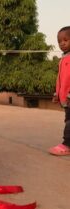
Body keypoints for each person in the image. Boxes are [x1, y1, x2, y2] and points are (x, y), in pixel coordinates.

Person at [49, 26, 70, 156]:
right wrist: (57, 93)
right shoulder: (63, 59)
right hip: (65, 98)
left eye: (65, 40)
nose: (62, 43)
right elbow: (61, 78)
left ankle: (66, 145)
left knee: (69, 122)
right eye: (59, 41)